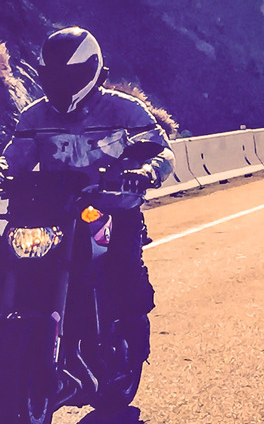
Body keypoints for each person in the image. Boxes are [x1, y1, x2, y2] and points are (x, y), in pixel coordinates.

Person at [0, 26, 175, 364]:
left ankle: (131, 346)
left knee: (124, 275)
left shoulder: (125, 111)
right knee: (9, 259)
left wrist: (146, 172)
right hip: (55, 214)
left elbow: (161, 151)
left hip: (112, 211)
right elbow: (15, 156)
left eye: (71, 74)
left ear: (93, 71)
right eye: (54, 75)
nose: (62, 83)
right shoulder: (36, 115)